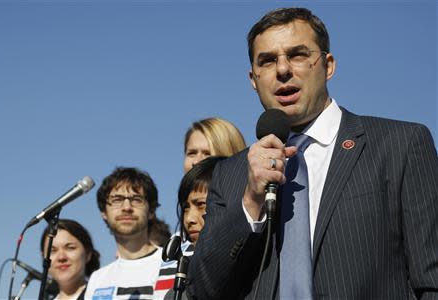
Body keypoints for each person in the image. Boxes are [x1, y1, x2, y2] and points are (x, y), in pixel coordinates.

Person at [187, 7, 438, 300]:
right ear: (253, 80)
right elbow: (202, 290)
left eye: (297, 55)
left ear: (328, 65)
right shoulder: (231, 173)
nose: (282, 70)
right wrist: (251, 202)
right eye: (267, 61)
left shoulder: (400, 145)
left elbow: (432, 280)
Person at [85, 167, 168, 299]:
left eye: (136, 199)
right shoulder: (97, 279)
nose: (127, 207)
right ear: (104, 212)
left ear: (151, 211)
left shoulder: (171, 265)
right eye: (117, 199)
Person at [154, 156, 226, 300]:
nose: (189, 219)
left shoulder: (261, 273)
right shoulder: (176, 294)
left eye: (201, 204)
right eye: (185, 208)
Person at [40, 219, 100, 300]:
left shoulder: (101, 295)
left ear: (88, 253)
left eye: (70, 248)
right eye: (52, 250)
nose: (61, 257)